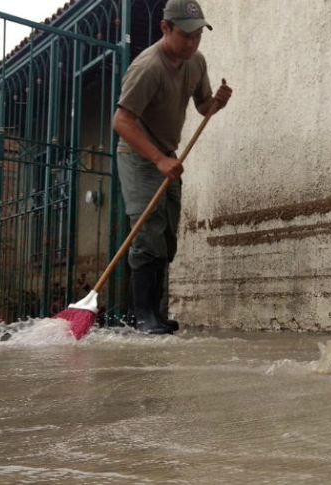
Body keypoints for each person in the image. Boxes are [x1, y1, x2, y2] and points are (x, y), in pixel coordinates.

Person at [112, 0, 232, 334]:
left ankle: (158, 314)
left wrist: (217, 103)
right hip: (139, 156)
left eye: (198, 35)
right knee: (148, 229)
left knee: (165, 238)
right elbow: (121, 121)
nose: (193, 43)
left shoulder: (196, 62)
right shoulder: (148, 67)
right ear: (165, 28)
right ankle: (143, 316)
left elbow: (203, 105)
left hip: (167, 156)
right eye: (186, 35)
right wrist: (158, 158)